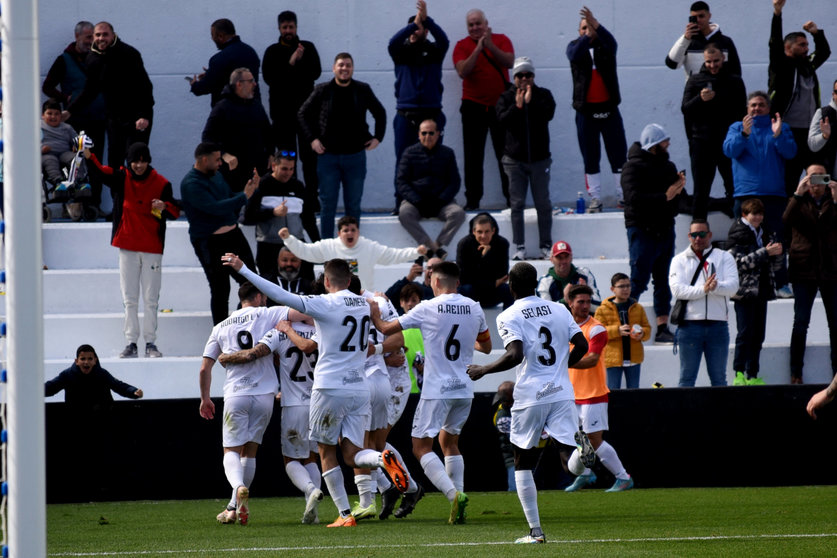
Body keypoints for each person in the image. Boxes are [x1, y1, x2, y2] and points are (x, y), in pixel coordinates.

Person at [224, 257, 410, 527]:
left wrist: (242, 269)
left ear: (326, 281)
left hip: (329, 387)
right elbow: (382, 320)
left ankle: (345, 515)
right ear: (349, 280)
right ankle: (382, 459)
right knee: (352, 453)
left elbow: (278, 294)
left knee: (326, 452)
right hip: (359, 387)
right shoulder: (364, 303)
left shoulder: (323, 302)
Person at [467, 263, 590, 544]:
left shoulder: (509, 314)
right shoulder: (559, 308)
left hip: (531, 393)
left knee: (522, 461)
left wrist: (483, 369)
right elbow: (582, 346)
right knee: (567, 457)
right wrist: (561, 367)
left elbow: (515, 355)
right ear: (536, 283)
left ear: (511, 286)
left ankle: (535, 532)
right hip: (561, 391)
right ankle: (583, 455)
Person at [370, 260, 492, 525]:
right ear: (457, 282)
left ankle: (453, 496)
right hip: (464, 387)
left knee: (420, 447)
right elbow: (487, 346)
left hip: (438, 388)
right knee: (450, 443)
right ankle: (459, 503)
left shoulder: (426, 307)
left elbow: (384, 329)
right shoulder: (474, 307)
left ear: (434, 282)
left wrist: (374, 307)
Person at [198, 282, 292, 526]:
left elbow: (205, 367)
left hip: (236, 393)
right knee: (250, 451)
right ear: (259, 296)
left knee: (230, 450)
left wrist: (205, 398)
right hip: (265, 395)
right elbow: (301, 312)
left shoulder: (220, 326)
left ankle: (238, 488)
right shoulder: (268, 313)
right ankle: (233, 506)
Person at [217, 316, 323, 525]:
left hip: (294, 404)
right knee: (311, 457)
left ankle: (311, 489)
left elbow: (254, 353)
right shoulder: (321, 332)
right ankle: (314, 513)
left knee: (291, 460)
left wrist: (227, 358)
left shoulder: (281, 331)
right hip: (319, 401)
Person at [83, 142, 180, 359]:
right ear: (129, 161)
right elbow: (100, 171)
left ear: (148, 161)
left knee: (151, 298)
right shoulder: (121, 177)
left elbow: (174, 210)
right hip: (127, 246)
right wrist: (89, 156)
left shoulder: (162, 183)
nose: (138, 165)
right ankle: (131, 343)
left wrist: (164, 207)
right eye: (135, 161)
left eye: (143, 160)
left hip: (152, 247)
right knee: (130, 298)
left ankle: (151, 343)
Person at [298, 52, 386, 238]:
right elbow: (302, 114)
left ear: (352, 68)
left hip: (355, 157)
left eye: (348, 65)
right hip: (328, 158)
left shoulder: (362, 89)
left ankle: (351, 251)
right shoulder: (322, 90)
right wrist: (312, 139)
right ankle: (328, 252)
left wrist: (378, 137)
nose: (344, 68)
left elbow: (380, 113)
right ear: (334, 68)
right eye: (341, 65)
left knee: (353, 205)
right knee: (328, 205)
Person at [723, 91, 796, 297]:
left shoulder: (780, 127)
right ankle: (737, 283)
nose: (757, 108)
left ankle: (780, 283)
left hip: (773, 195)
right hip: (745, 194)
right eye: (753, 105)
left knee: (776, 240)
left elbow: (790, 152)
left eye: (761, 105)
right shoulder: (737, 127)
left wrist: (778, 134)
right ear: (747, 108)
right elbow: (729, 151)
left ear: (768, 108)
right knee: (742, 241)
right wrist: (744, 134)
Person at [564, 284, 634, 493]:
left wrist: (562, 363)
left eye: (588, 302)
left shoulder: (596, 329)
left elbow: (592, 360)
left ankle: (623, 477)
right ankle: (586, 475)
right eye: (580, 302)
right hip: (572, 393)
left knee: (593, 440)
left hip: (594, 393)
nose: (585, 306)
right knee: (579, 438)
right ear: (570, 303)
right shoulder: (565, 327)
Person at [621, 123, 687, 344]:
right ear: (653, 146)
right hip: (642, 230)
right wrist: (665, 196)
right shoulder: (632, 168)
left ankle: (662, 327)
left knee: (663, 280)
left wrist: (678, 191)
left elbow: (675, 203)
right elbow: (633, 200)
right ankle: (623, 323)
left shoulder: (668, 167)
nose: (668, 145)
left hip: (665, 230)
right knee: (638, 279)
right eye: (664, 142)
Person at [180, 142, 258, 324]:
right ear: (204, 160)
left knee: (252, 282)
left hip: (234, 236)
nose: (220, 163)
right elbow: (215, 208)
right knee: (220, 288)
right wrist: (244, 196)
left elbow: (229, 196)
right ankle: (222, 333)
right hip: (211, 242)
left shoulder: (216, 175)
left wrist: (248, 189)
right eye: (216, 160)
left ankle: (242, 323)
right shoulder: (191, 183)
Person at [63, 22, 154, 173]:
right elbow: (90, 91)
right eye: (97, 35)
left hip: (136, 117)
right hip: (114, 117)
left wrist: (143, 115)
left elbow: (145, 87)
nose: (101, 38)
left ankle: (137, 196)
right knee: (114, 163)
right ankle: (118, 197)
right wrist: (69, 111)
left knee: (136, 161)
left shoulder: (129, 53)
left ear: (113, 35)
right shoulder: (92, 58)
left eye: (105, 34)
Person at [388, 0, 449, 213]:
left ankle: (435, 203)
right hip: (406, 115)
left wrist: (427, 20)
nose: (414, 32)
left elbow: (443, 39)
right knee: (403, 161)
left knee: (435, 161)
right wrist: (414, 23)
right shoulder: (400, 52)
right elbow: (392, 42)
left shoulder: (434, 51)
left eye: (419, 28)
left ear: (425, 31)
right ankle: (400, 203)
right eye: (411, 29)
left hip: (432, 114)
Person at [567, 6, 628, 212]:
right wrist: (587, 36)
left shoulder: (606, 47)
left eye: (590, 27)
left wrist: (597, 26)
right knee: (590, 156)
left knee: (618, 154)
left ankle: (623, 196)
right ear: (579, 32)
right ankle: (595, 198)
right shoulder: (575, 47)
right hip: (586, 112)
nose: (587, 31)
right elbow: (574, 54)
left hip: (609, 109)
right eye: (583, 28)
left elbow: (612, 42)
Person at [452, 9, 514, 209]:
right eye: (471, 25)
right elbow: (463, 71)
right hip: (473, 107)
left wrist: (489, 45)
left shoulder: (502, 39)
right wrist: (478, 49)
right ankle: (472, 201)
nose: (475, 27)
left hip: (501, 106)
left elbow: (510, 62)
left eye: (478, 23)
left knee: (506, 155)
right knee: (472, 157)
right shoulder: (461, 46)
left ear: (486, 23)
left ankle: (512, 199)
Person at [262, 10, 322, 215]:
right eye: (285, 27)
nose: (288, 31)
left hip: (307, 116)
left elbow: (315, 73)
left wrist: (297, 63)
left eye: (291, 27)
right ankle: (292, 198)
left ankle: (312, 201)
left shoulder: (308, 48)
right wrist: (291, 61)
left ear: (296, 27)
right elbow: (271, 79)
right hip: (282, 117)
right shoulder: (272, 52)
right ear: (279, 28)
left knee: (309, 159)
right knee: (287, 159)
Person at [769, 0, 831, 197]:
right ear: (788, 48)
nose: (806, 48)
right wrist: (777, 13)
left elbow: (824, 52)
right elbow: (775, 42)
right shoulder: (781, 65)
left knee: (819, 173)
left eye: (807, 45)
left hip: (811, 130)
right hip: (789, 130)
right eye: (801, 45)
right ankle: (789, 214)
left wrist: (816, 33)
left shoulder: (808, 65)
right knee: (790, 176)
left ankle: (822, 209)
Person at [42, 21, 106, 210]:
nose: (91, 41)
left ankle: (94, 204)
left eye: (92, 37)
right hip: (74, 123)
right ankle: (73, 204)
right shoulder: (64, 60)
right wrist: (66, 98)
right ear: (77, 36)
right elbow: (47, 87)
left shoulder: (100, 59)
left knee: (96, 162)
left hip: (98, 120)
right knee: (75, 162)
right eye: (88, 37)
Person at [496, 56, 555, 260]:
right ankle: (519, 246)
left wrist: (531, 103)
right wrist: (518, 107)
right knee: (517, 204)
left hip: (539, 160)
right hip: (514, 160)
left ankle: (546, 245)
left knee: (543, 203)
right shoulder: (505, 97)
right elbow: (502, 120)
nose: (524, 78)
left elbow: (548, 114)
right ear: (514, 77)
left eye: (528, 74)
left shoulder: (543, 95)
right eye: (520, 75)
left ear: (533, 76)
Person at [783, 164, 837, 384]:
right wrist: (798, 193)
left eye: (820, 178)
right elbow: (786, 220)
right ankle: (796, 371)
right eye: (812, 178)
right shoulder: (798, 202)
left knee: (835, 323)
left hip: (830, 271)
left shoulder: (831, 202)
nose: (816, 184)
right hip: (803, 270)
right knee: (801, 322)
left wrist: (836, 199)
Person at [669, 220, 739, 387]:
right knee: (686, 379)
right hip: (689, 326)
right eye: (694, 235)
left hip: (718, 326)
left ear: (710, 235)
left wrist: (716, 287)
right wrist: (704, 289)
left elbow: (733, 287)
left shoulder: (724, 257)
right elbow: (677, 290)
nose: (698, 238)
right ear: (689, 236)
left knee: (719, 379)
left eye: (701, 234)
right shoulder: (679, 260)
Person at [279, 215, 425, 293]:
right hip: (334, 300)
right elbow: (306, 251)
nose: (350, 233)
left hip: (362, 298)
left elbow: (393, 255)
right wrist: (288, 239)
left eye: (353, 230)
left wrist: (415, 252)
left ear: (358, 232)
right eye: (345, 230)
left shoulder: (369, 246)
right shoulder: (328, 245)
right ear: (339, 233)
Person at [681, 45, 746, 219]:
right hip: (702, 142)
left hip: (728, 142)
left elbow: (742, 112)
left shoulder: (734, 80)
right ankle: (698, 230)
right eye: (708, 62)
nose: (712, 65)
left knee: (734, 187)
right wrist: (700, 100)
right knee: (701, 189)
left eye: (716, 61)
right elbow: (685, 109)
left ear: (723, 59)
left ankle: (740, 229)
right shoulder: (695, 80)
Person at [727, 198, 783, 386]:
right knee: (744, 333)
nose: (758, 217)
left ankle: (752, 373)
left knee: (759, 334)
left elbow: (772, 264)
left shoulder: (765, 232)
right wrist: (765, 253)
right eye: (754, 214)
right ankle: (739, 373)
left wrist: (777, 253)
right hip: (745, 291)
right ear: (744, 214)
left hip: (762, 289)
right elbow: (738, 264)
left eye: (760, 214)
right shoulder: (737, 233)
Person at [396, 118, 465, 259]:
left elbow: (455, 181)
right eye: (424, 133)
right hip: (416, 202)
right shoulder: (409, 153)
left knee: (458, 213)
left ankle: (438, 245)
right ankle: (431, 247)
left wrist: (442, 199)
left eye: (431, 133)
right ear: (419, 134)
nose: (427, 136)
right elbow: (401, 181)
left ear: (438, 134)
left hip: (441, 202)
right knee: (404, 213)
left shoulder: (447, 153)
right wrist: (416, 199)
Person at [202, 68, 273, 192]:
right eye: (250, 81)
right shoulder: (222, 107)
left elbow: (268, 132)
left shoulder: (256, 105)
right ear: (239, 84)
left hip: (256, 168)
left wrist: (271, 153)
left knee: (257, 206)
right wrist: (224, 154)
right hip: (233, 170)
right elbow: (207, 137)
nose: (255, 84)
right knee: (233, 205)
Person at [243, 150, 306, 283]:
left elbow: (308, 218)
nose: (288, 173)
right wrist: (272, 213)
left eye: (291, 169)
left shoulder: (298, 186)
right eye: (284, 169)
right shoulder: (262, 185)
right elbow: (247, 218)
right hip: (269, 246)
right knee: (270, 288)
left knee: (302, 287)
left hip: (295, 245)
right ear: (273, 166)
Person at [594, 272, 652, 390]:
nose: (625, 289)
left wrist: (641, 334)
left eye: (628, 286)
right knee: (613, 390)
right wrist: (617, 331)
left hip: (634, 357)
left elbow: (647, 328)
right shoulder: (602, 309)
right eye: (621, 286)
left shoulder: (638, 307)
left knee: (634, 390)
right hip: (612, 358)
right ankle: (614, 409)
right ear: (612, 289)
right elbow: (597, 332)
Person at [189, 19, 260, 108]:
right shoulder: (251, 52)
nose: (212, 38)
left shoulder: (219, 59)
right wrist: (210, 73)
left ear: (220, 36)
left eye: (212, 35)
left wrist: (194, 84)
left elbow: (204, 88)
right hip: (253, 110)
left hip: (228, 114)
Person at [45, 344, 143, 405]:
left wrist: (133, 391)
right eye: (83, 359)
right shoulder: (67, 375)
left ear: (95, 360)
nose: (86, 362)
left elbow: (119, 386)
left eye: (90, 359)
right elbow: (51, 387)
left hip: (101, 420)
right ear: (76, 361)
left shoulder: (102, 374)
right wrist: (33, 392)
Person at [665, 1, 741, 79]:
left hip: (721, 90)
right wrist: (685, 39)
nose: (698, 20)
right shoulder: (686, 43)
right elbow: (672, 64)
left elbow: (736, 72)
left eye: (701, 16)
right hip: (695, 89)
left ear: (709, 16)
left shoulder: (726, 42)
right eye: (694, 18)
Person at [457, 212, 513, 308]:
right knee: (465, 289)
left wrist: (487, 255)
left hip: (492, 293)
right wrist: (492, 283)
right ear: (473, 231)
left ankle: (508, 322)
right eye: (480, 232)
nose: (483, 236)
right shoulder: (464, 244)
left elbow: (502, 274)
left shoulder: (502, 244)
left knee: (509, 289)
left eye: (487, 231)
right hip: (472, 293)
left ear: (493, 231)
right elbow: (463, 278)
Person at [41, 99, 89, 191]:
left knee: (76, 158)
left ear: (61, 116)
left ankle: (80, 181)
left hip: (64, 152)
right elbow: (32, 143)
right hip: (47, 153)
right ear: (43, 115)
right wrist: (41, 149)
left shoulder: (66, 127)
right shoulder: (38, 127)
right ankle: (57, 182)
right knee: (50, 160)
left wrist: (79, 146)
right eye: (49, 113)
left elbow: (77, 139)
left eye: (56, 114)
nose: (53, 117)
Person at [537, 240, 601, 307]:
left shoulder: (585, 274)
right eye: (559, 257)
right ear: (551, 259)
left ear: (571, 257)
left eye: (566, 256)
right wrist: (565, 300)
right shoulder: (544, 282)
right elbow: (546, 313)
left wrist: (585, 293)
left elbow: (598, 307)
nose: (564, 261)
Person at [808, 77, 837, 178]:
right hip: (828, 180)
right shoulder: (823, 113)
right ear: (833, 95)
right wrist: (824, 136)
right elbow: (812, 145)